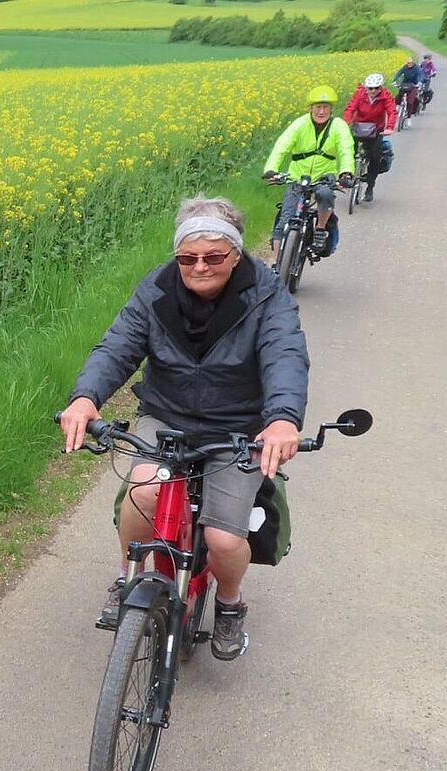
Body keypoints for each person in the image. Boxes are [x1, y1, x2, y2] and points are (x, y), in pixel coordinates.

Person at [58, 197, 309, 661]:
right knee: (144, 487)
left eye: (214, 256)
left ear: (235, 255)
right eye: (188, 257)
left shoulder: (267, 294)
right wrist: (85, 398)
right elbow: (118, 345)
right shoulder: (156, 290)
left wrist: (280, 420)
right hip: (168, 415)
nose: (200, 266)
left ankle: (230, 604)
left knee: (223, 538)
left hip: (237, 428)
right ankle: (128, 577)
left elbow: (284, 356)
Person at [262, 85, 355, 261]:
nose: (321, 111)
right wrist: (271, 169)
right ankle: (276, 267)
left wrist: (346, 172)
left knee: (325, 194)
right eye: (318, 107)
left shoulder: (338, 126)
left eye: (325, 107)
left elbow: (346, 149)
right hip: (297, 176)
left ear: (331, 109)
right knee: (284, 222)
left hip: (324, 177)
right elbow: (282, 146)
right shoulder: (300, 124)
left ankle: (320, 228)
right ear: (310, 108)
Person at [342, 72, 397, 203]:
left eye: (376, 88)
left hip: (376, 128)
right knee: (349, 150)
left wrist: (389, 127)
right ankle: (347, 175)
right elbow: (350, 108)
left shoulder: (385, 96)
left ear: (381, 87)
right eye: (370, 88)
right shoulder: (360, 94)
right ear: (366, 87)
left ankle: (370, 187)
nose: (373, 91)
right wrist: (344, 124)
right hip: (359, 127)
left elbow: (392, 111)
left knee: (375, 157)